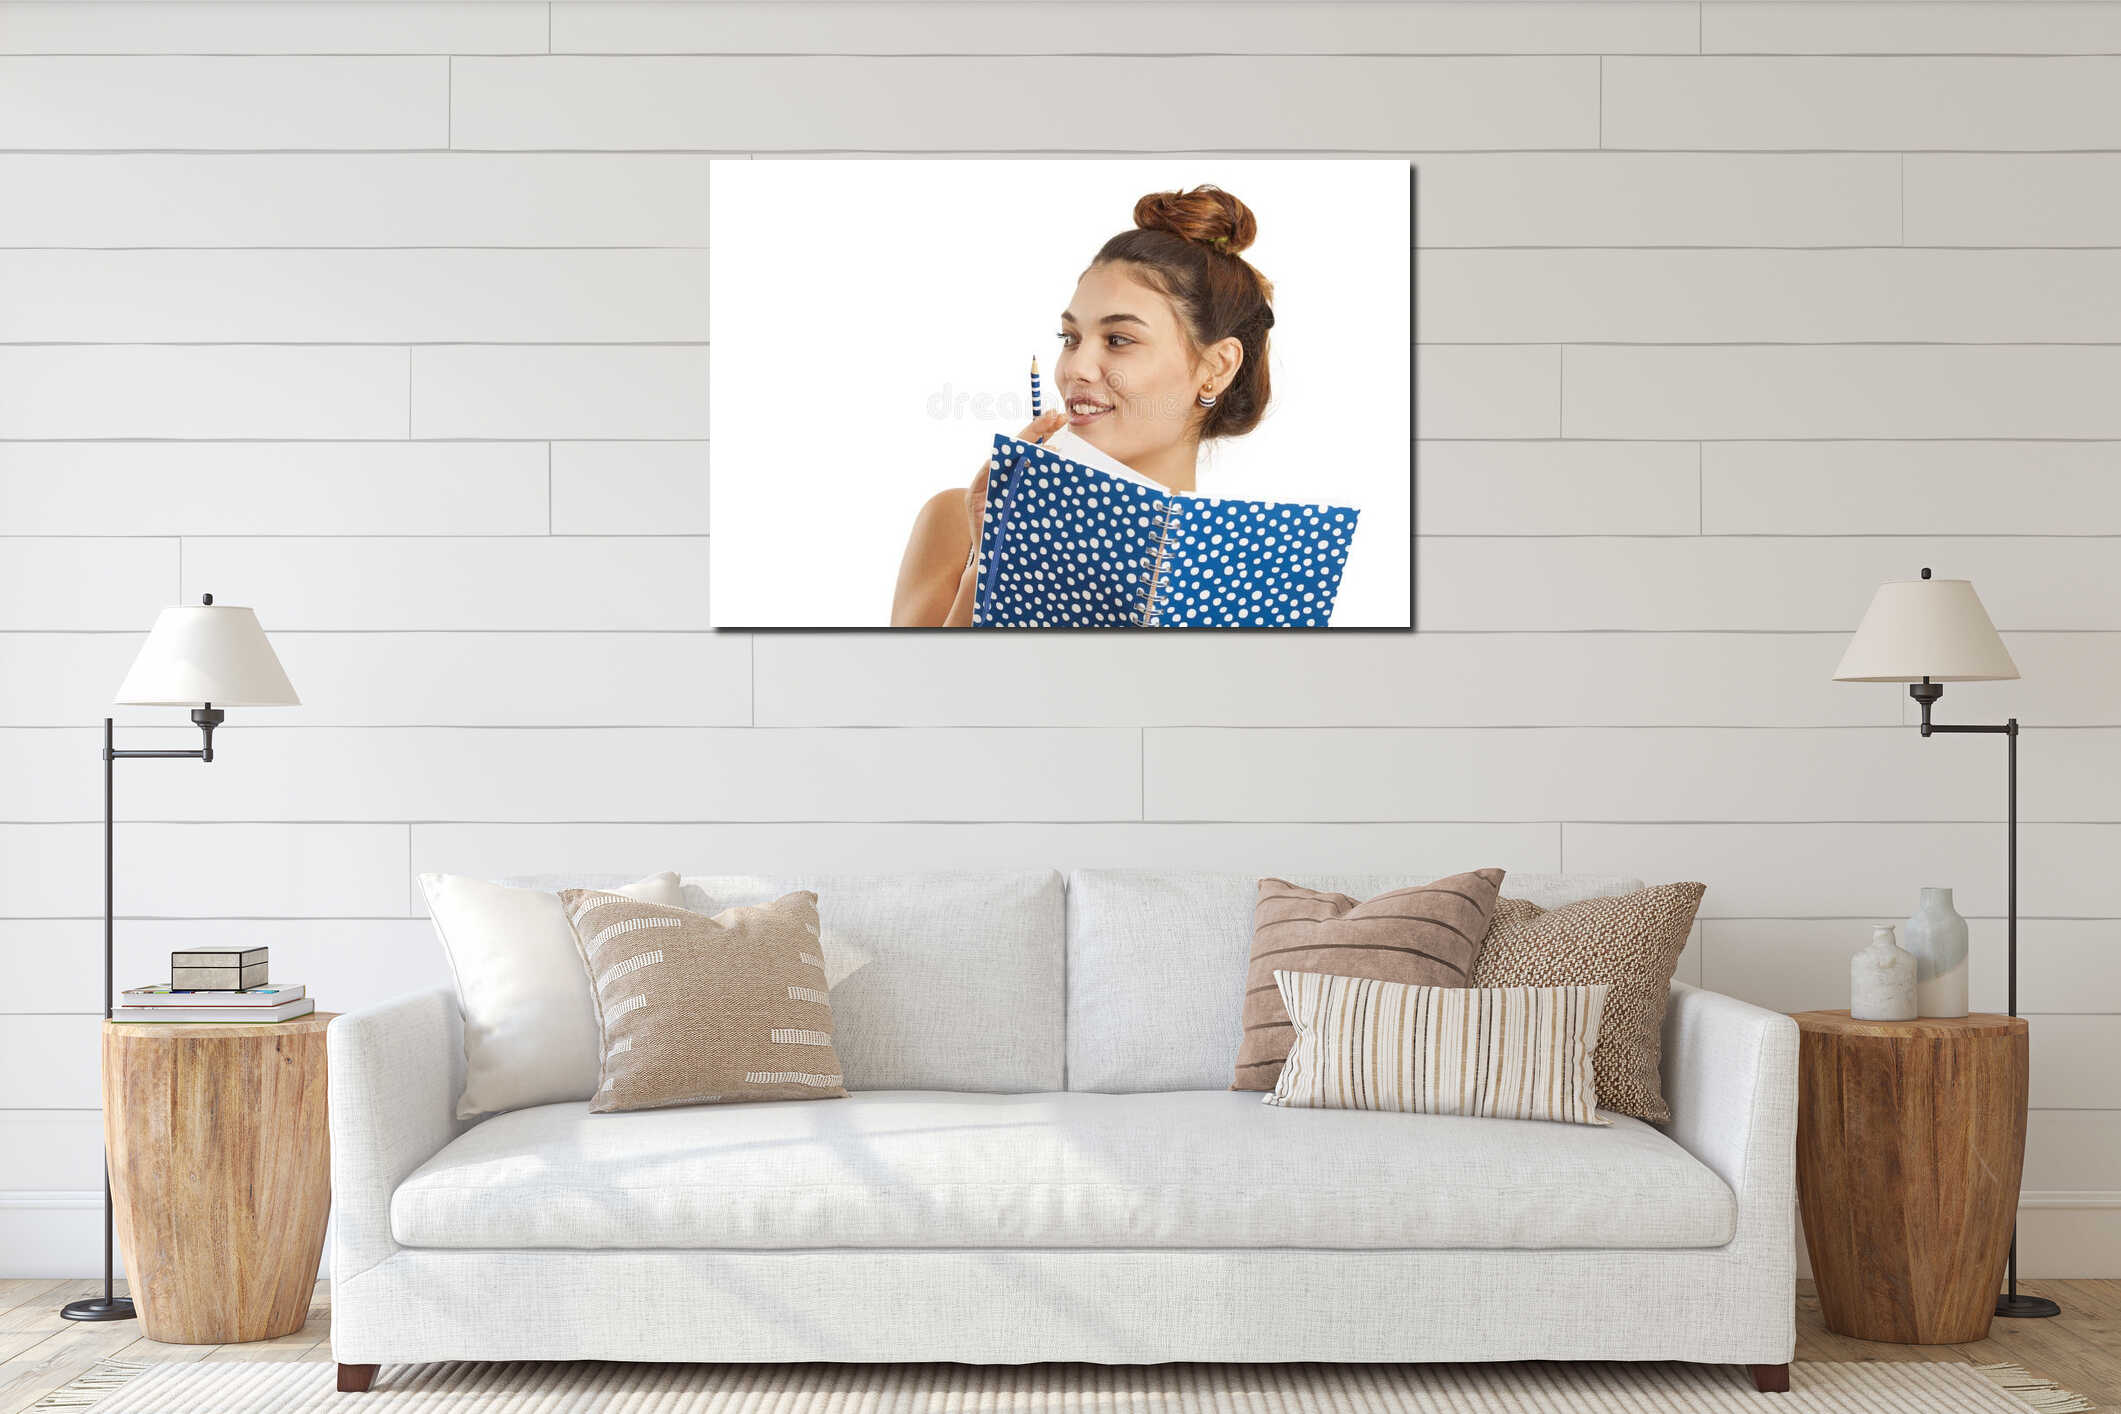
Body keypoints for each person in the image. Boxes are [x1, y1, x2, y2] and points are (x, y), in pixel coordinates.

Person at [891, 185, 1276, 627]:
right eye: (1070, 338)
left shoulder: (1252, 572)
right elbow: (913, 693)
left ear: (1217, 365)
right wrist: (993, 560)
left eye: (1118, 340)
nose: (1076, 368)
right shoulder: (959, 525)